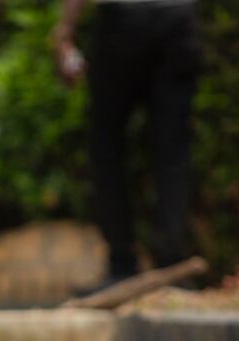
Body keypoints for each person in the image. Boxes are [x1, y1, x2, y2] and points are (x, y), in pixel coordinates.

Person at [53, 0, 202, 282]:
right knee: (173, 151)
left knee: (107, 146)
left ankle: (122, 264)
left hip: (124, 21)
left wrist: (65, 31)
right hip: (178, 19)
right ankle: (171, 265)